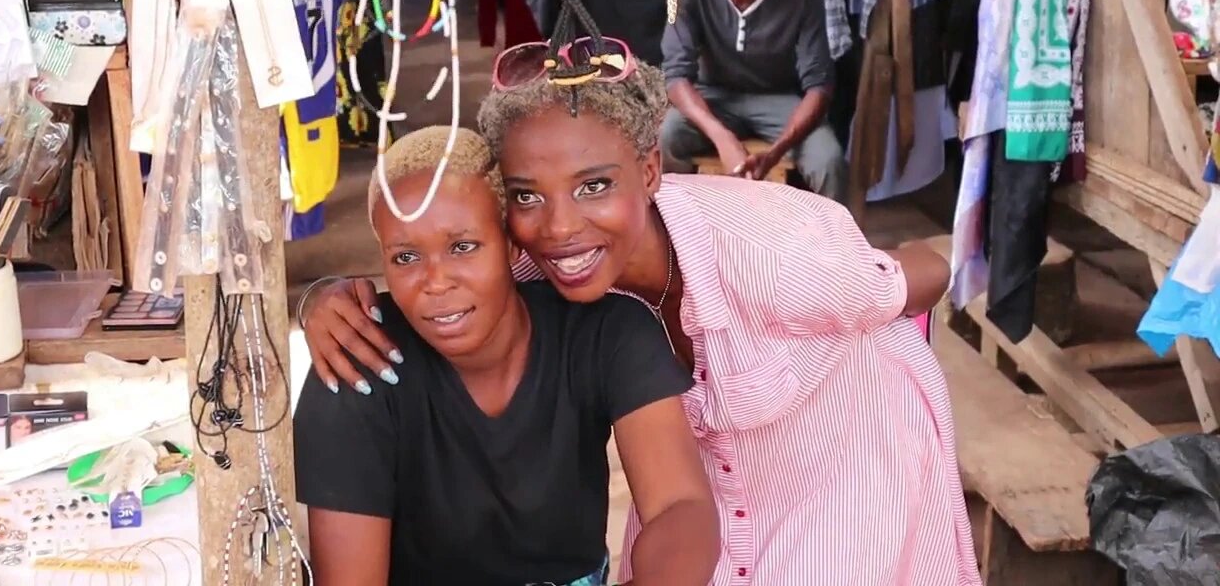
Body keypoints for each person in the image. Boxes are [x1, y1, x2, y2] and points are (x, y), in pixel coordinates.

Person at [299, 58, 977, 584]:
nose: (562, 226)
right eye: (530, 196)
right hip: (724, 470)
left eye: (595, 185)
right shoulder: (537, 267)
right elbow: (434, 261)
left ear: (649, 170)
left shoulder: (771, 248)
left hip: (851, 437)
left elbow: (921, 274)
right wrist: (322, 297)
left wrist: (876, 283)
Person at [293, 126, 719, 586]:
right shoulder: (358, 367)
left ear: (512, 242)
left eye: (463, 247)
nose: (435, 282)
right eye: (405, 257)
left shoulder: (603, 333)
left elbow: (680, 506)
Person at [660, 0, 848, 203]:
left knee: (828, 159)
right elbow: (676, 76)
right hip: (714, 97)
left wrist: (776, 152)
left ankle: (835, 248)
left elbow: (820, 84)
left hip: (778, 100)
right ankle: (677, 227)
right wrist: (724, 139)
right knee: (667, 136)